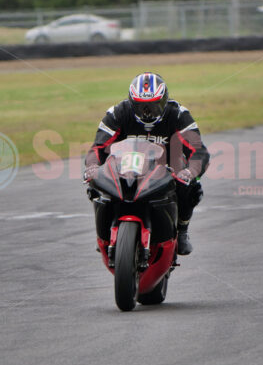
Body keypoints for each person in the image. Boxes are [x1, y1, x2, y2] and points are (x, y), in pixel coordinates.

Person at [84, 72, 210, 255]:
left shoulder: (178, 114)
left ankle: (182, 230)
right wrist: (92, 167)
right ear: (131, 102)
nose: (147, 112)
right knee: (95, 185)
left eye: (154, 106)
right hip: (125, 168)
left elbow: (199, 150)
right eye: (141, 107)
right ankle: (104, 234)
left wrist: (190, 172)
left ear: (164, 101)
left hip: (166, 169)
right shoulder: (118, 113)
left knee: (192, 187)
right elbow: (98, 147)